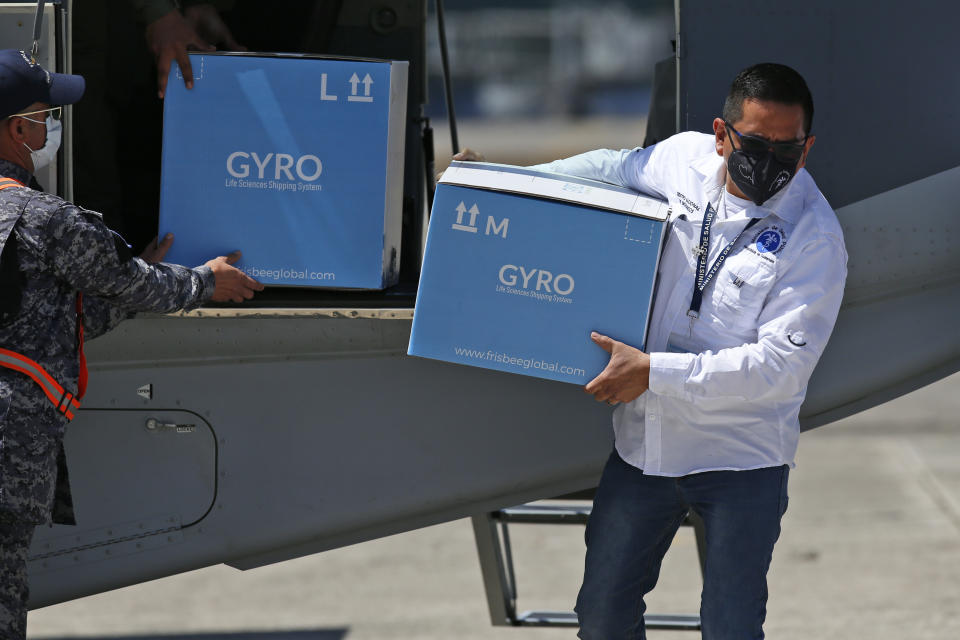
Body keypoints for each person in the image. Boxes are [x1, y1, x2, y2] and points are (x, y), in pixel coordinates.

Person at [457, 62, 846, 638]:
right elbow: (610, 170)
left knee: (731, 627)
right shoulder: (685, 161)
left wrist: (653, 373)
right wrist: (510, 181)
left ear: (806, 147)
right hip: (646, 452)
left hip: (740, 461)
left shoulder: (815, 239)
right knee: (602, 616)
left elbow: (780, 371)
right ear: (722, 135)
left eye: (787, 150)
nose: (771, 163)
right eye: (756, 144)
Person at [0, 49, 263, 638]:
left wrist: (131, 283)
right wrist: (203, 281)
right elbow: (131, 284)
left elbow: (53, 315)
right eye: (47, 115)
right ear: (20, 129)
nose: (52, 128)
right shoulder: (45, 219)